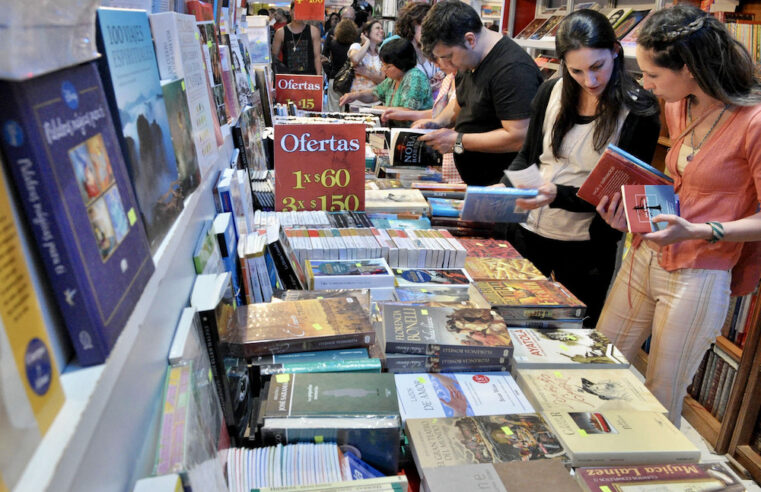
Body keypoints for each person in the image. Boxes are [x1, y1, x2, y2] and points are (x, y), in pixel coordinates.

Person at [595, 4, 761, 425]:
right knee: (597, 365)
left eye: (653, 75)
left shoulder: (752, 122)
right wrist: (630, 217)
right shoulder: (678, 104)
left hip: (699, 273)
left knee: (661, 394)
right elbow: (675, 186)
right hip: (646, 255)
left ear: (688, 68)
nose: (646, 86)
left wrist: (701, 230)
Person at [501, 9, 660, 328]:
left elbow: (617, 196)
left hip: (586, 247)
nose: (590, 80)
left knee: (574, 335)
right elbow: (528, 156)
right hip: (528, 232)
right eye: (576, 71)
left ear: (616, 50)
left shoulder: (638, 110)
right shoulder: (551, 91)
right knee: (511, 322)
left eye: (598, 67)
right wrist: (508, 186)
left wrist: (554, 194)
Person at [416, 0, 543, 185]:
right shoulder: (470, 59)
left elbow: (519, 137)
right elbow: (462, 101)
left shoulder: (512, 70)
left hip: (503, 188)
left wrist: (458, 140)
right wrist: (437, 122)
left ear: (470, 40)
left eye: (449, 56)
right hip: (477, 183)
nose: (447, 65)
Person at [381, 53, 464, 183]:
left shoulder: (466, 80)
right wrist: (411, 116)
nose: (437, 64)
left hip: (460, 157)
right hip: (446, 156)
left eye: (440, 57)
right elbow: (439, 113)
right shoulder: (449, 79)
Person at [339, 37, 433, 119]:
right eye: (383, 65)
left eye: (388, 66)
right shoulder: (393, 79)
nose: (383, 70)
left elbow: (408, 111)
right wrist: (356, 95)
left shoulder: (414, 77)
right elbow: (375, 94)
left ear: (401, 64)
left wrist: (375, 109)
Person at [395, 2, 445, 97]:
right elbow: (397, 91)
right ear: (411, 26)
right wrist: (428, 88)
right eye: (424, 26)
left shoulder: (431, 49)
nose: (429, 31)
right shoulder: (401, 53)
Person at [342, 19, 385, 108]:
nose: (381, 31)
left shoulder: (381, 53)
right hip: (355, 102)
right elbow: (355, 59)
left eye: (382, 28)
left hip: (376, 102)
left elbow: (383, 80)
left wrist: (366, 72)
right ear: (366, 33)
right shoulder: (357, 47)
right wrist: (367, 42)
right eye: (377, 28)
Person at [271, 2, 322, 75]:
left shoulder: (313, 31)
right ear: (290, 11)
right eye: (296, 10)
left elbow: (317, 57)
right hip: (288, 79)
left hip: (309, 78)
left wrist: (319, 76)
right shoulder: (281, 32)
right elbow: (274, 57)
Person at [324, 19, 360, 111]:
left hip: (334, 78)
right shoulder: (354, 47)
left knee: (333, 109)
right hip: (349, 81)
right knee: (348, 109)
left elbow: (330, 59)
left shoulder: (333, 44)